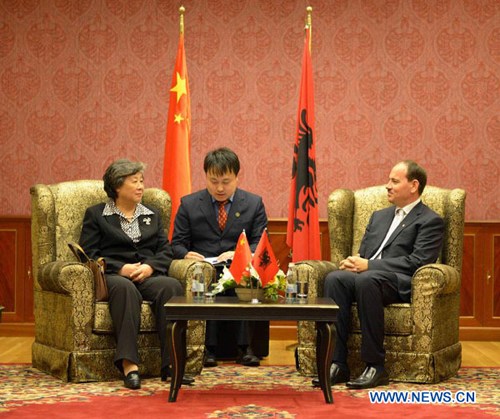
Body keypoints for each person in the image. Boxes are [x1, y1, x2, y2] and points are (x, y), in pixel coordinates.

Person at [312, 160, 444, 390]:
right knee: (335, 278)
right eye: (389, 180)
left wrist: (369, 266)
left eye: (394, 181)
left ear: (414, 185)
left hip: (400, 282)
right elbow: (366, 254)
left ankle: (375, 366)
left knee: (366, 279)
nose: (388, 186)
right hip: (369, 276)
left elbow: (417, 262)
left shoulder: (429, 220)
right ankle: (336, 362)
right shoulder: (379, 216)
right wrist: (353, 262)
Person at [79, 159, 194, 390]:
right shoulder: (97, 215)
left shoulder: (151, 214)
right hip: (114, 275)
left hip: (147, 274)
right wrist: (121, 268)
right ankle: (129, 363)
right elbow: (89, 253)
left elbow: (166, 250)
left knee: (170, 286)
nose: (141, 186)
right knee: (125, 289)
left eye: (142, 181)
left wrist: (150, 267)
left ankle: (171, 364)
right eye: (135, 182)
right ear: (117, 187)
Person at [172, 147, 268, 367]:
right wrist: (186, 254)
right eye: (213, 181)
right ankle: (208, 349)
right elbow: (176, 244)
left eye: (226, 181)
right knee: (209, 276)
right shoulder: (189, 204)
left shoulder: (253, 204)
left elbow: (260, 242)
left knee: (244, 274)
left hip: (238, 265)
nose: (220, 188)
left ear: (237, 176)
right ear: (205, 176)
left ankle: (245, 348)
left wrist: (240, 254)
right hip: (204, 267)